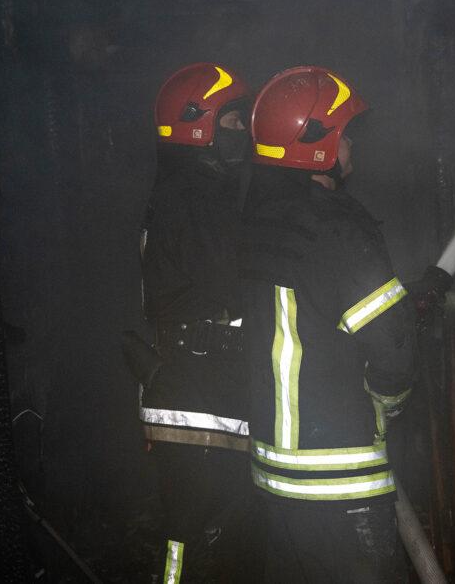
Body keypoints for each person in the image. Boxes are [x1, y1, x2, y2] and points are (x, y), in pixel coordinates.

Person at [239, 66, 417, 582]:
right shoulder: (338, 224)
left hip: (274, 483)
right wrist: (386, 404)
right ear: (319, 144)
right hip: (341, 483)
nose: (352, 145)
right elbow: (393, 348)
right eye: (346, 134)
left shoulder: (256, 221)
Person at [123, 62, 255, 583]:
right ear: (198, 126)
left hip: (192, 380)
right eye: (233, 121)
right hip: (199, 390)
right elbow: (234, 285)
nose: (243, 131)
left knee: (197, 527)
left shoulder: (180, 191)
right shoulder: (196, 197)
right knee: (198, 530)